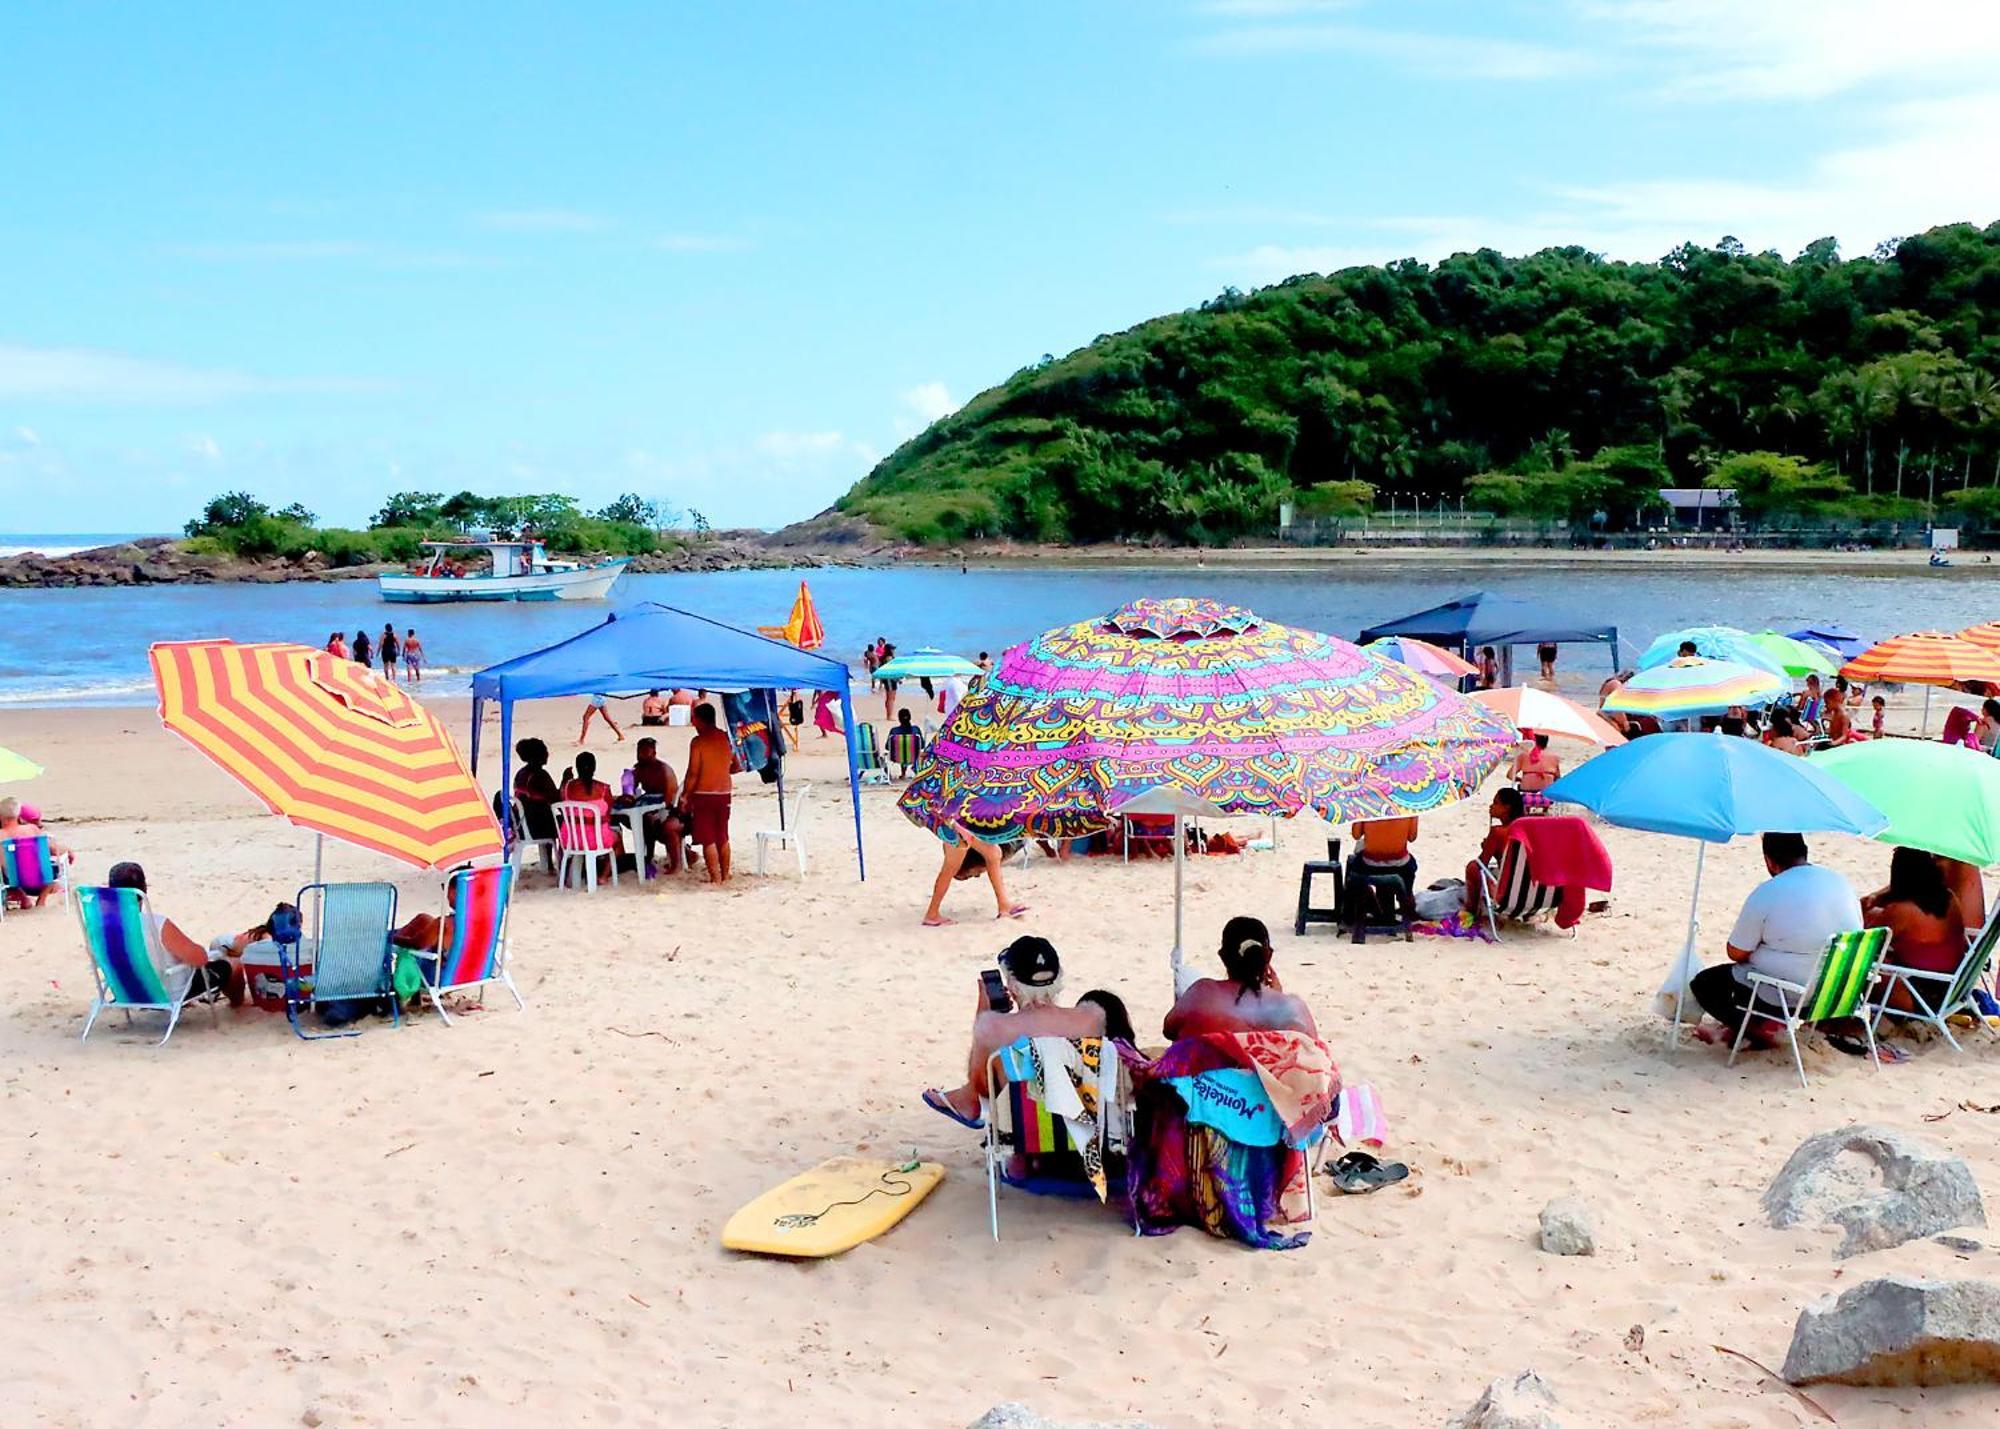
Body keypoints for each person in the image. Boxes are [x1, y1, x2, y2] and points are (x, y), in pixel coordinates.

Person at [1688, 833, 1861, 1043]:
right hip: (1837, 993)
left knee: (1705, 983)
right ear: (1804, 851)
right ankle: (1753, 1028)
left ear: (1769, 860)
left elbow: (1736, 952)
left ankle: (1759, 1033)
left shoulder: (1768, 892)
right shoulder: (1840, 882)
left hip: (1791, 998)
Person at [920, 936, 1106, 1128]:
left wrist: (984, 1012)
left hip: (1027, 1132)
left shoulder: (994, 1027)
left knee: (995, 1071)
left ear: (1011, 983)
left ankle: (962, 1104)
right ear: (1058, 977)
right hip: (1086, 1131)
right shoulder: (1092, 1018)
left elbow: (982, 1088)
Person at [105, 861, 244, 1006]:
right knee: (233, 966)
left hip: (127, 993)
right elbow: (198, 959)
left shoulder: (100, 928)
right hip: (168, 994)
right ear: (144, 889)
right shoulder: (157, 925)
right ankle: (237, 1007)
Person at [1162, 916, 1318, 1040]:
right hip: (1266, 1081)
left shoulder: (1201, 993)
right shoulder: (1292, 1008)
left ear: (1223, 957)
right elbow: (1314, 1056)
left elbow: (1169, 1029)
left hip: (1205, 1078)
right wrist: (1278, 997)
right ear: (1268, 956)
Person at [1861, 846, 1967, 1014]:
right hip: (1953, 990)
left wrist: (1866, 905)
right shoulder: (1949, 897)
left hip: (1919, 999)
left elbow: (1864, 941)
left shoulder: (1901, 911)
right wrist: (1879, 897)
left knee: (1861, 964)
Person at [922, 823, 1028, 926]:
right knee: (950, 869)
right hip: (957, 825)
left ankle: (1004, 904)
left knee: (993, 854)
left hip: (959, 824)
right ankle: (932, 914)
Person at [682, 703, 734, 883]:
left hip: (704, 794)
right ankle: (725, 875)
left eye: (693, 719)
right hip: (724, 792)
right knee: (723, 836)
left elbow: (693, 772)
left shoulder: (698, 742)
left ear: (699, 720)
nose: (692, 723)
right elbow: (735, 765)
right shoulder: (727, 738)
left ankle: (715, 878)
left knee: (708, 838)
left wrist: (685, 795)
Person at [0, 797, 74, 908]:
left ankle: (22, 896)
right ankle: (42, 899)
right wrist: (68, 851)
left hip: (11, 882)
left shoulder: (1, 835)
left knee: (7, 867)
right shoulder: (32, 829)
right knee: (51, 863)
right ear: (18, 815)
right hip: (43, 879)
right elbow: (54, 850)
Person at [1462, 787, 1526, 914]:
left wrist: (1487, 848)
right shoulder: (1528, 829)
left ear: (1507, 808)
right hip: (1531, 890)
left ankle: (1472, 909)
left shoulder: (1498, 832)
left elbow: (1482, 863)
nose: (1491, 806)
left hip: (1508, 892)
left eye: (1496, 803)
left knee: (1473, 867)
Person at [558, 750, 623, 873]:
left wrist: (564, 779)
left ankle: (564, 872)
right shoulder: (604, 789)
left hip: (571, 839)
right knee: (617, 838)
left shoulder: (566, 787)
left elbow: (562, 805)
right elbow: (608, 815)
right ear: (594, 768)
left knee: (564, 830)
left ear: (577, 768)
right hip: (597, 840)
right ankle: (604, 875)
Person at [628, 736, 684, 873]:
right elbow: (631, 791)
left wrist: (655, 811)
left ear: (653, 753)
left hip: (668, 808)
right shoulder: (639, 769)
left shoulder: (663, 770)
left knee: (649, 820)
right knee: (634, 819)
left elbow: (670, 800)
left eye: (644, 752)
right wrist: (629, 779)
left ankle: (657, 857)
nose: (640, 755)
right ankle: (647, 856)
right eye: (639, 751)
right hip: (649, 805)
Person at [1348, 814, 1418, 903]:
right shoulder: (1406, 808)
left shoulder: (1367, 806)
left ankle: (1362, 901)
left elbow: (1356, 835)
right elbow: (1412, 837)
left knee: (1353, 864)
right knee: (1411, 867)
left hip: (1369, 864)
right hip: (1400, 864)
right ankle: (1406, 897)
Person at [510, 737, 560, 840]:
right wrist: (565, 781)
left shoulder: (521, 773)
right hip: (537, 827)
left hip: (521, 825)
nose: (547, 754)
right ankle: (565, 855)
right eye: (545, 751)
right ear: (538, 755)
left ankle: (548, 856)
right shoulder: (540, 775)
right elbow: (556, 800)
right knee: (570, 824)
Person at [886, 708, 925, 778]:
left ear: (899, 718)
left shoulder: (894, 731)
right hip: (914, 757)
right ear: (910, 718)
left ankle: (903, 773)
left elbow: (887, 747)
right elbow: (922, 745)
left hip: (896, 758)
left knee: (901, 750)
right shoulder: (916, 730)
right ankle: (917, 772)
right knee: (909, 749)